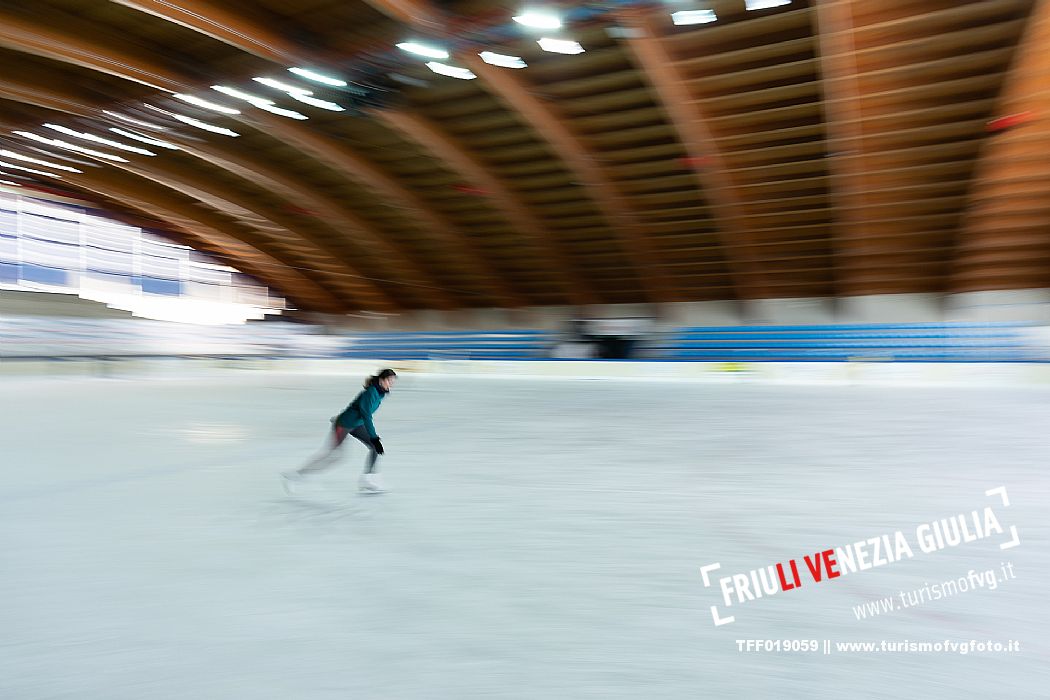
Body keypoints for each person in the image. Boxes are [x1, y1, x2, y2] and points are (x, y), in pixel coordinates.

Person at [283, 369, 397, 493]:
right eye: (388, 380)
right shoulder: (371, 393)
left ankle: (368, 479)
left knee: (374, 448)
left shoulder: (380, 393)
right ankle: (295, 476)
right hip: (344, 424)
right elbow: (366, 415)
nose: (391, 384)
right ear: (381, 380)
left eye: (392, 381)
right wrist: (374, 437)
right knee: (335, 456)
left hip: (356, 424)